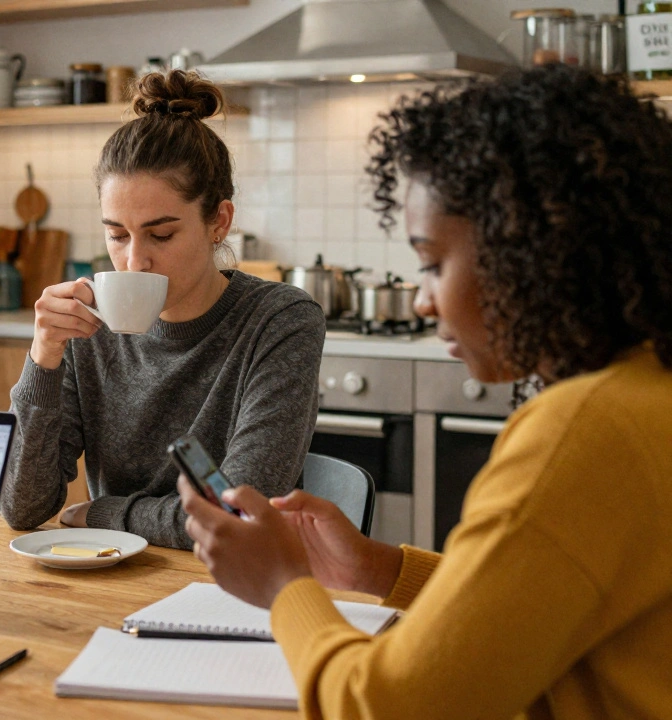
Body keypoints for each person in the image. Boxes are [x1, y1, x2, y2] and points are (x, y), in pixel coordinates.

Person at [180, 65, 672, 718]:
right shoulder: (643, 390)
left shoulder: (584, 431)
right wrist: (378, 571)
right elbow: (536, 605)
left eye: (434, 263)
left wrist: (284, 587)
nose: (420, 301)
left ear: (528, 250)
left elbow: (386, 706)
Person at [0, 70, 325, 549]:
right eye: (117, 234)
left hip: (230, 586)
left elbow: (236, 517)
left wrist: (104, 512)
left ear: (219, 221)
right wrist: (43, 357)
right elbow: (23, 508)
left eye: (161, 234)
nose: (134, 260)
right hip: (113, 579)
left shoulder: (279, 320)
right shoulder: (87, 325)